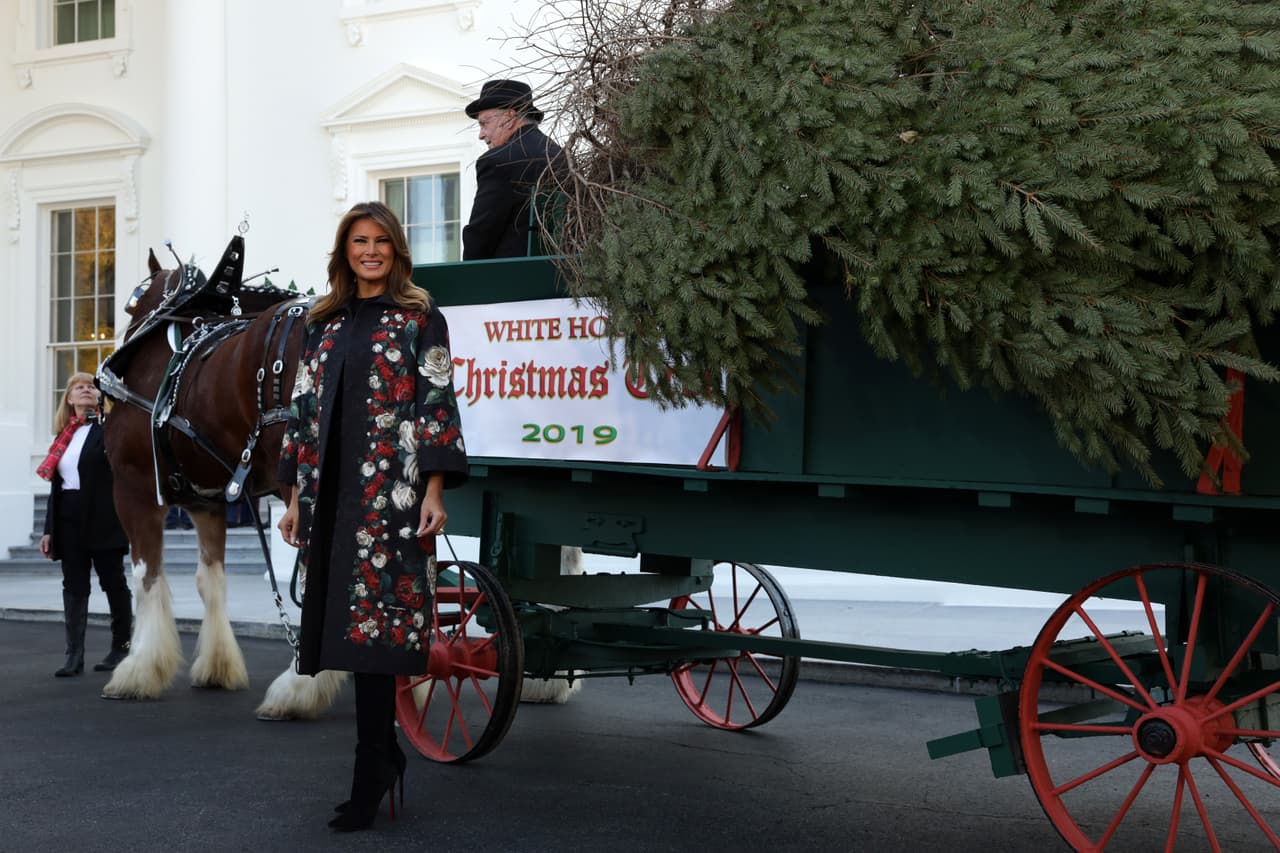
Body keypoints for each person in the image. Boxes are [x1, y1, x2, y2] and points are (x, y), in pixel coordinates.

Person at [277, 200, 468, 832]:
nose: (370, 251)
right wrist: (293, 498)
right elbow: (303, 412)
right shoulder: (322, 323)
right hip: (332, 499)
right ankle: (379, 756)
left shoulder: (419, 317)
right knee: (348, 634)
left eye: (381, 240)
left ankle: (371, 768)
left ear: (396, 249)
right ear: (344, 250)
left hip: (394, 500)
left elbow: (436, 405)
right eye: (359, 240)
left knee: (379, 636)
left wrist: (435, 492)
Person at [38, 372, 132, 677]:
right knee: (74, 587)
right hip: (69, 520)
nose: (85, 390)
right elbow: (56, 487)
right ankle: (73, 655)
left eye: (91, 386)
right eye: (78, 386)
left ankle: (121, 648)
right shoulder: (63, 437)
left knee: (113, 584)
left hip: (104, 517)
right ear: (69, 398)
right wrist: (48, 529)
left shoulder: (109, 430)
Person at [462, 79, 564, 260]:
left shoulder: (497, 161)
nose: (481, 135)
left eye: (484, 123)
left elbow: (480, 235)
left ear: (509, 118)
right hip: (563, 278)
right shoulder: (562, 157)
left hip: (509, 281)